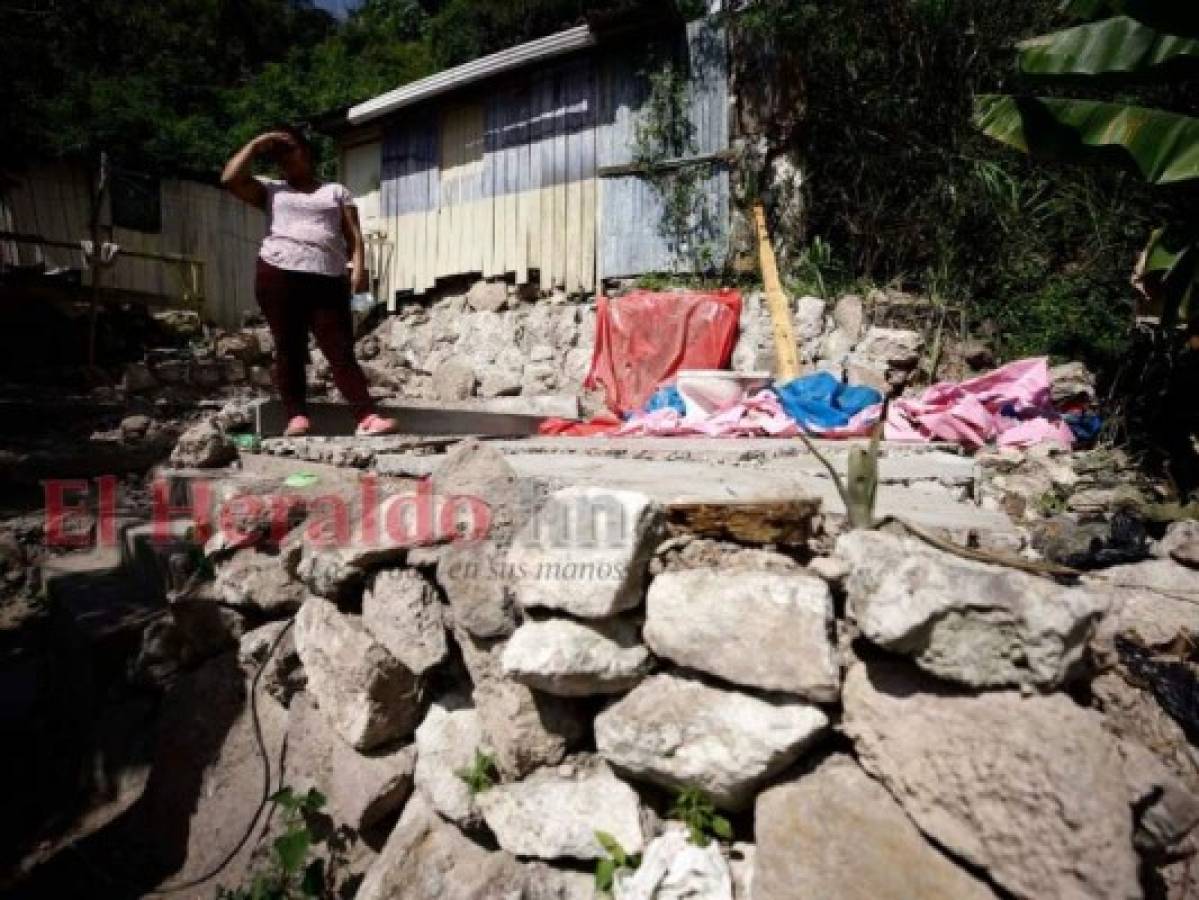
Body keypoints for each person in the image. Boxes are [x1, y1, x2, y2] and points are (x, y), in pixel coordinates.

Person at [221, 125, 397, 437]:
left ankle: (366, 416)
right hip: (278, 272)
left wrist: (358, 270)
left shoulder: (335, 191)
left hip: (328, 277)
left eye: (290, 148)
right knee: (288, 347)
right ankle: (297, 417)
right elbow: (229, 179)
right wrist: (256, 142)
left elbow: (354, 237)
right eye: (278, 153)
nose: (285, 157)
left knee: (339, 348)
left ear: (307, 152)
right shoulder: (271, 189)